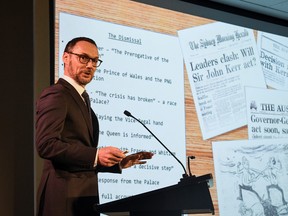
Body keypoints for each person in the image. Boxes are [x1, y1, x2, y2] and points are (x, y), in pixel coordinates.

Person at [35, 37, 154, 216]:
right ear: (66, 57)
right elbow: (46, 144)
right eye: (83, 58)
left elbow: (79, 157)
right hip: (63, 199)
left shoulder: (82, 100)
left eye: (95, 60)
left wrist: (118, 164)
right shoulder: (57, 94)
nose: (90, 65)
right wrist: (96, 155)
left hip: (84, 200)